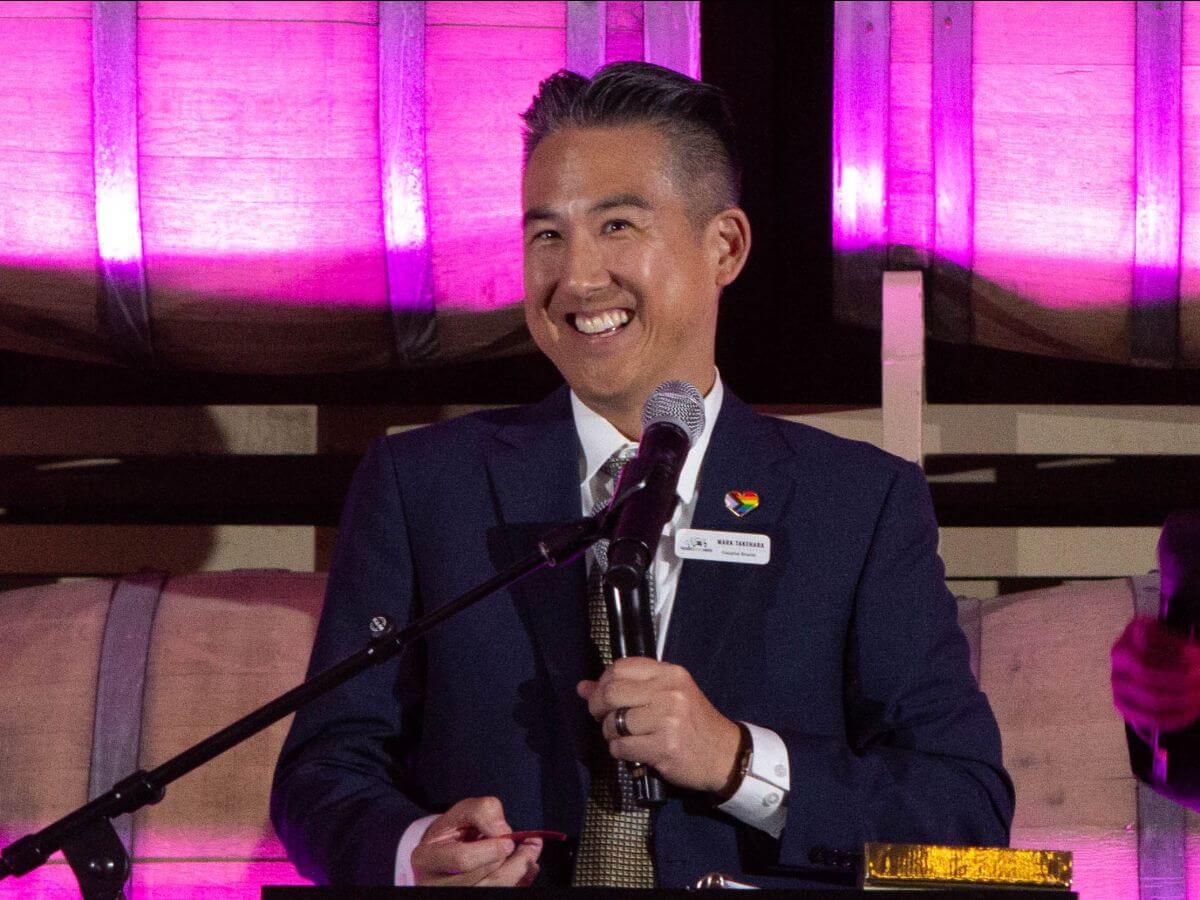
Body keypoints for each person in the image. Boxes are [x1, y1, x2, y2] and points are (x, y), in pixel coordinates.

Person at [271, 62, 1013, 889]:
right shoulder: (422, 484)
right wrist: (413, 851)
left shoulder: (859, 505)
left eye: (618, 226)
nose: (577, 278)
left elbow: (966, 813)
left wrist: (736, 759)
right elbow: (321, 774)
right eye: (546, 235)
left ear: (724, 246)